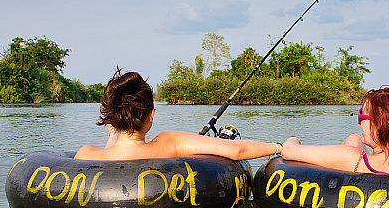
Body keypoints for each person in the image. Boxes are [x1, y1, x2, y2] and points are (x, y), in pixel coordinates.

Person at [75, 69, 282, 161]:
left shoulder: (86, 154)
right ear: (151, 116)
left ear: (111, 118)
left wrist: (113, 136)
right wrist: (278, 147)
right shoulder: (168, 143)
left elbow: (112, 160)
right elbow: (237, 151)